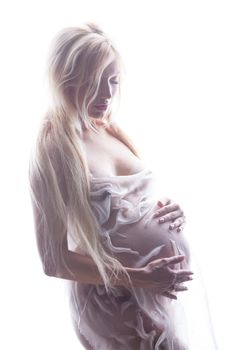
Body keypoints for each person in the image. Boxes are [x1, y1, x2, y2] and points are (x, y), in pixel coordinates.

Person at [29, 23, 194, 349]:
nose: (106, 95)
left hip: (156, 298)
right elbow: (55, 261)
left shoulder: (110, 128)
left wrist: (169, 214)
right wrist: (144, 277)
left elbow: (123, 212)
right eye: (95, 82)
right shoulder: (55, 149)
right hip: (114, 306)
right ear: (67, 78)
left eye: (113, 81)